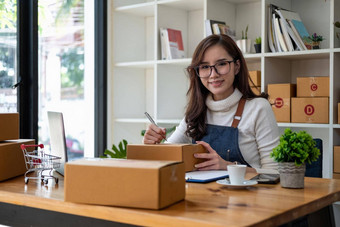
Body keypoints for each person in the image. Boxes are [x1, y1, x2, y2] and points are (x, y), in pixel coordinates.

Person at [143, 34, 279, 173]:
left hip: (248, 194)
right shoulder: (196, 112)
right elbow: (167, 157)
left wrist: (228, 167)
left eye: (221, 64)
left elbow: (275, 172)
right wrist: (152, 145)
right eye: (205, 67)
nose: (213, 74)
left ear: (237, 66)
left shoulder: (258, 108)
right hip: (202, 194)